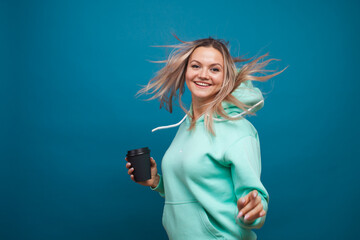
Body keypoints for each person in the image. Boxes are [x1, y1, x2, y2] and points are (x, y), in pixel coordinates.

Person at [125, 37, 285, 240]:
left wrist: (253, 210)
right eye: (196, 66)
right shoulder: (187, 125)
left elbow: (254, 201)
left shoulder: (239, 131)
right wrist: (156, 181)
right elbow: (198, 190)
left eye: (214, 69)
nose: (203, 75)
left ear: (227, 77)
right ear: (186, 71)